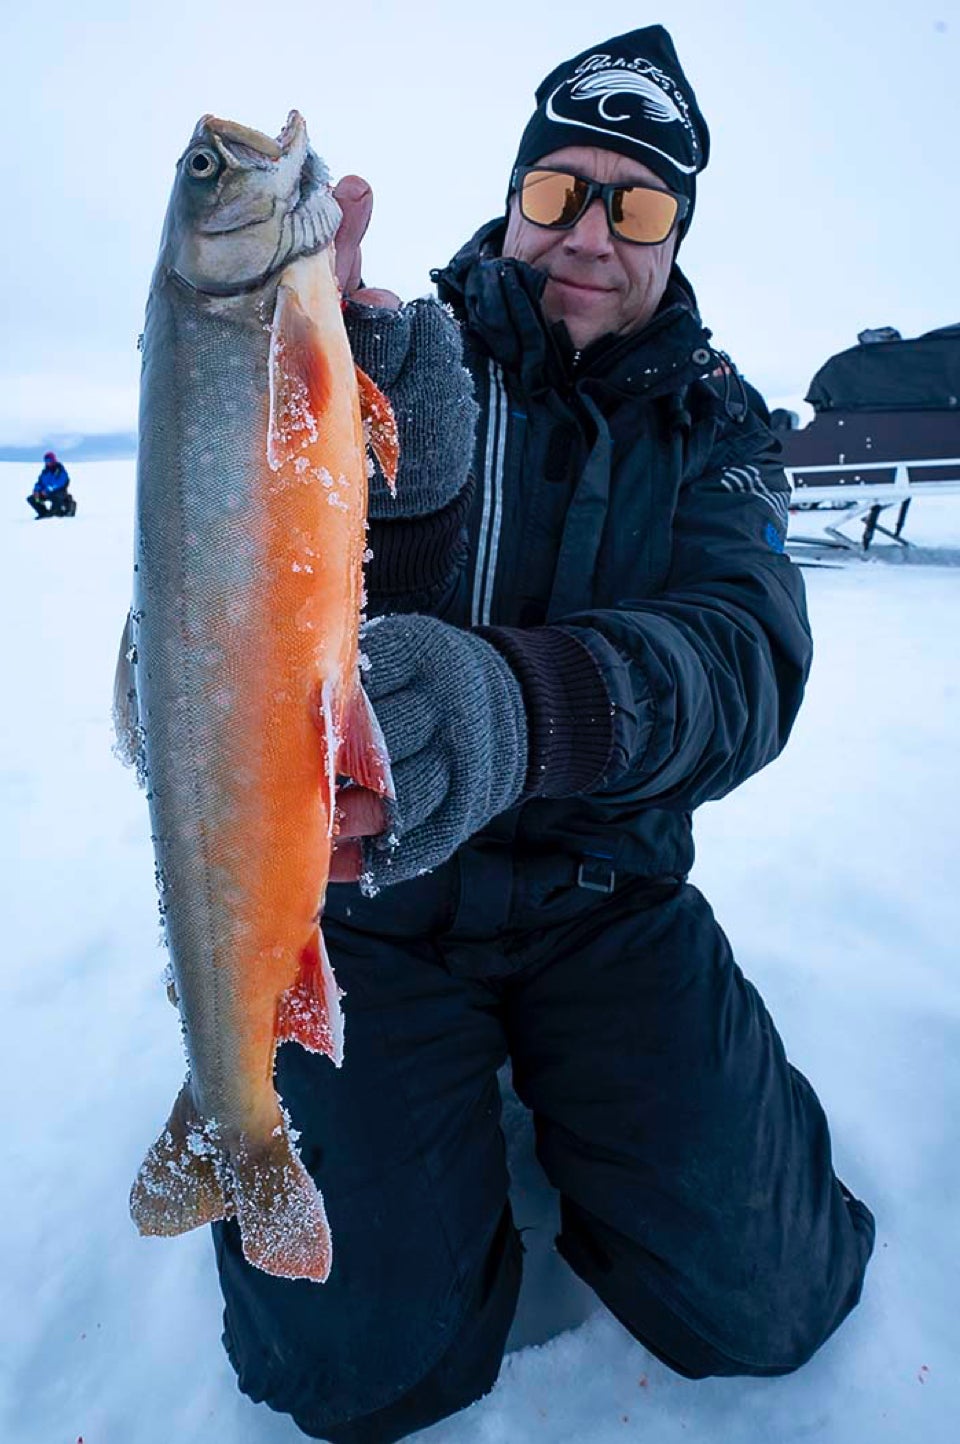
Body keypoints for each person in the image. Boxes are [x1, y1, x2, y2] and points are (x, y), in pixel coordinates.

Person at [214, 26, 875, 1443]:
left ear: (674, 235)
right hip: (367, 918)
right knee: (358, 1370)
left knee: (771, 1302)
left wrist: (525, 713)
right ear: (514, 197)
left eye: (634, 204)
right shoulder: (388, 353)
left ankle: (641, 1137)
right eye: (558, 189)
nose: (588, 231)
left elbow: (745, 661)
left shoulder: (720, 428)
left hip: (607, 903)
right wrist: (289, 389)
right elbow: (222, 603)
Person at [27, 451, 76, 519]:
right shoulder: (45, 472)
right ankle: (43, 513)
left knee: (55, 497)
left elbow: (61, 482)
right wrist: (36, 490)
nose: (47, 462)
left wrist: (47, 489)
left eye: (49, 460)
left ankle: (55, 512)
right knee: (32, 499)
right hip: (45, 493)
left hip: (59, 492)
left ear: (53, 460)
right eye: (46, 460)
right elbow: (39, 483)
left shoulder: (60, 469)